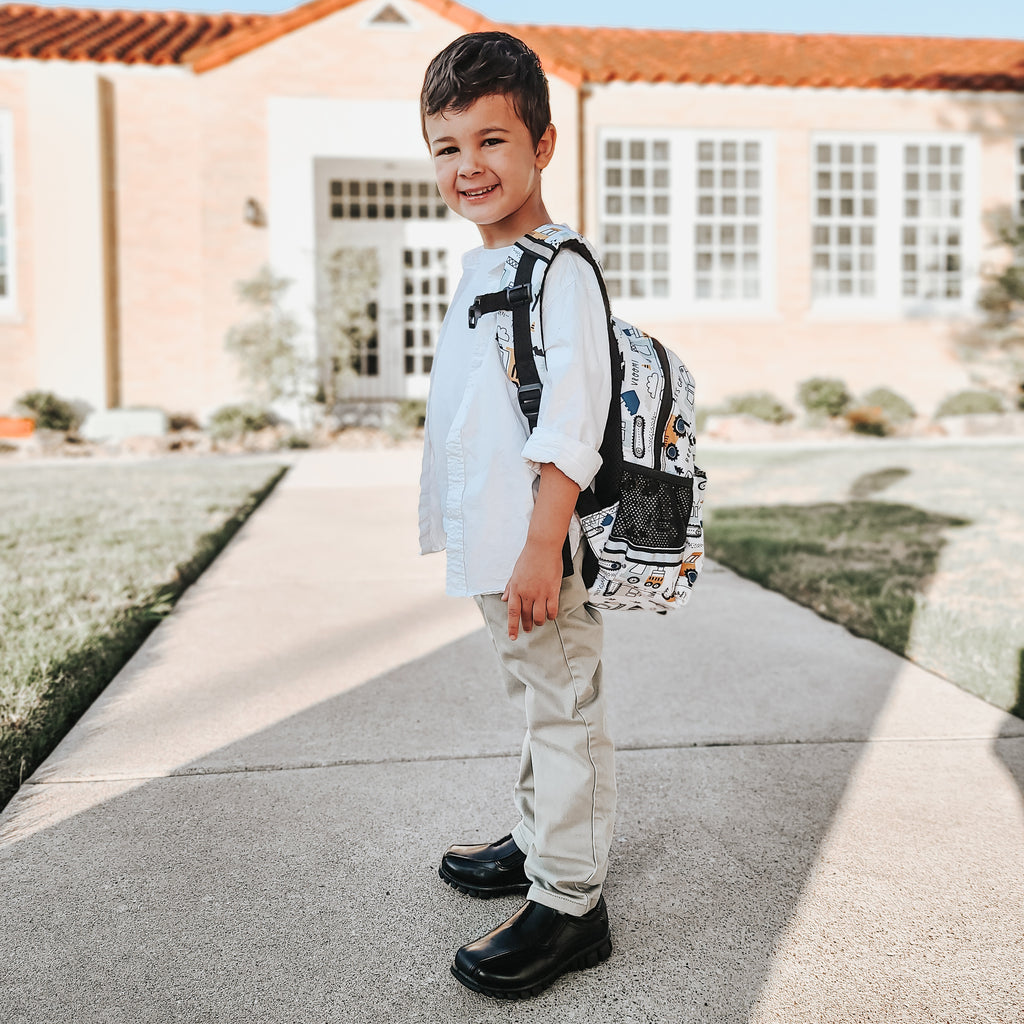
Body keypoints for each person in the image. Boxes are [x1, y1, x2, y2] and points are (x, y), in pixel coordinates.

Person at [417, 31, 616, 999]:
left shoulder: (556, 269)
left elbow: (571, 425)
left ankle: (571, 901)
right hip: (500, 545)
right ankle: (540, 838)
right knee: (536, 699)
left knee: (563, 708)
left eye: (491, 141)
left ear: (542, 144)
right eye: (447, 148)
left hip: (541, 547)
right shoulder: (485, 266)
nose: (469, 167)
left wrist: (542, 545)